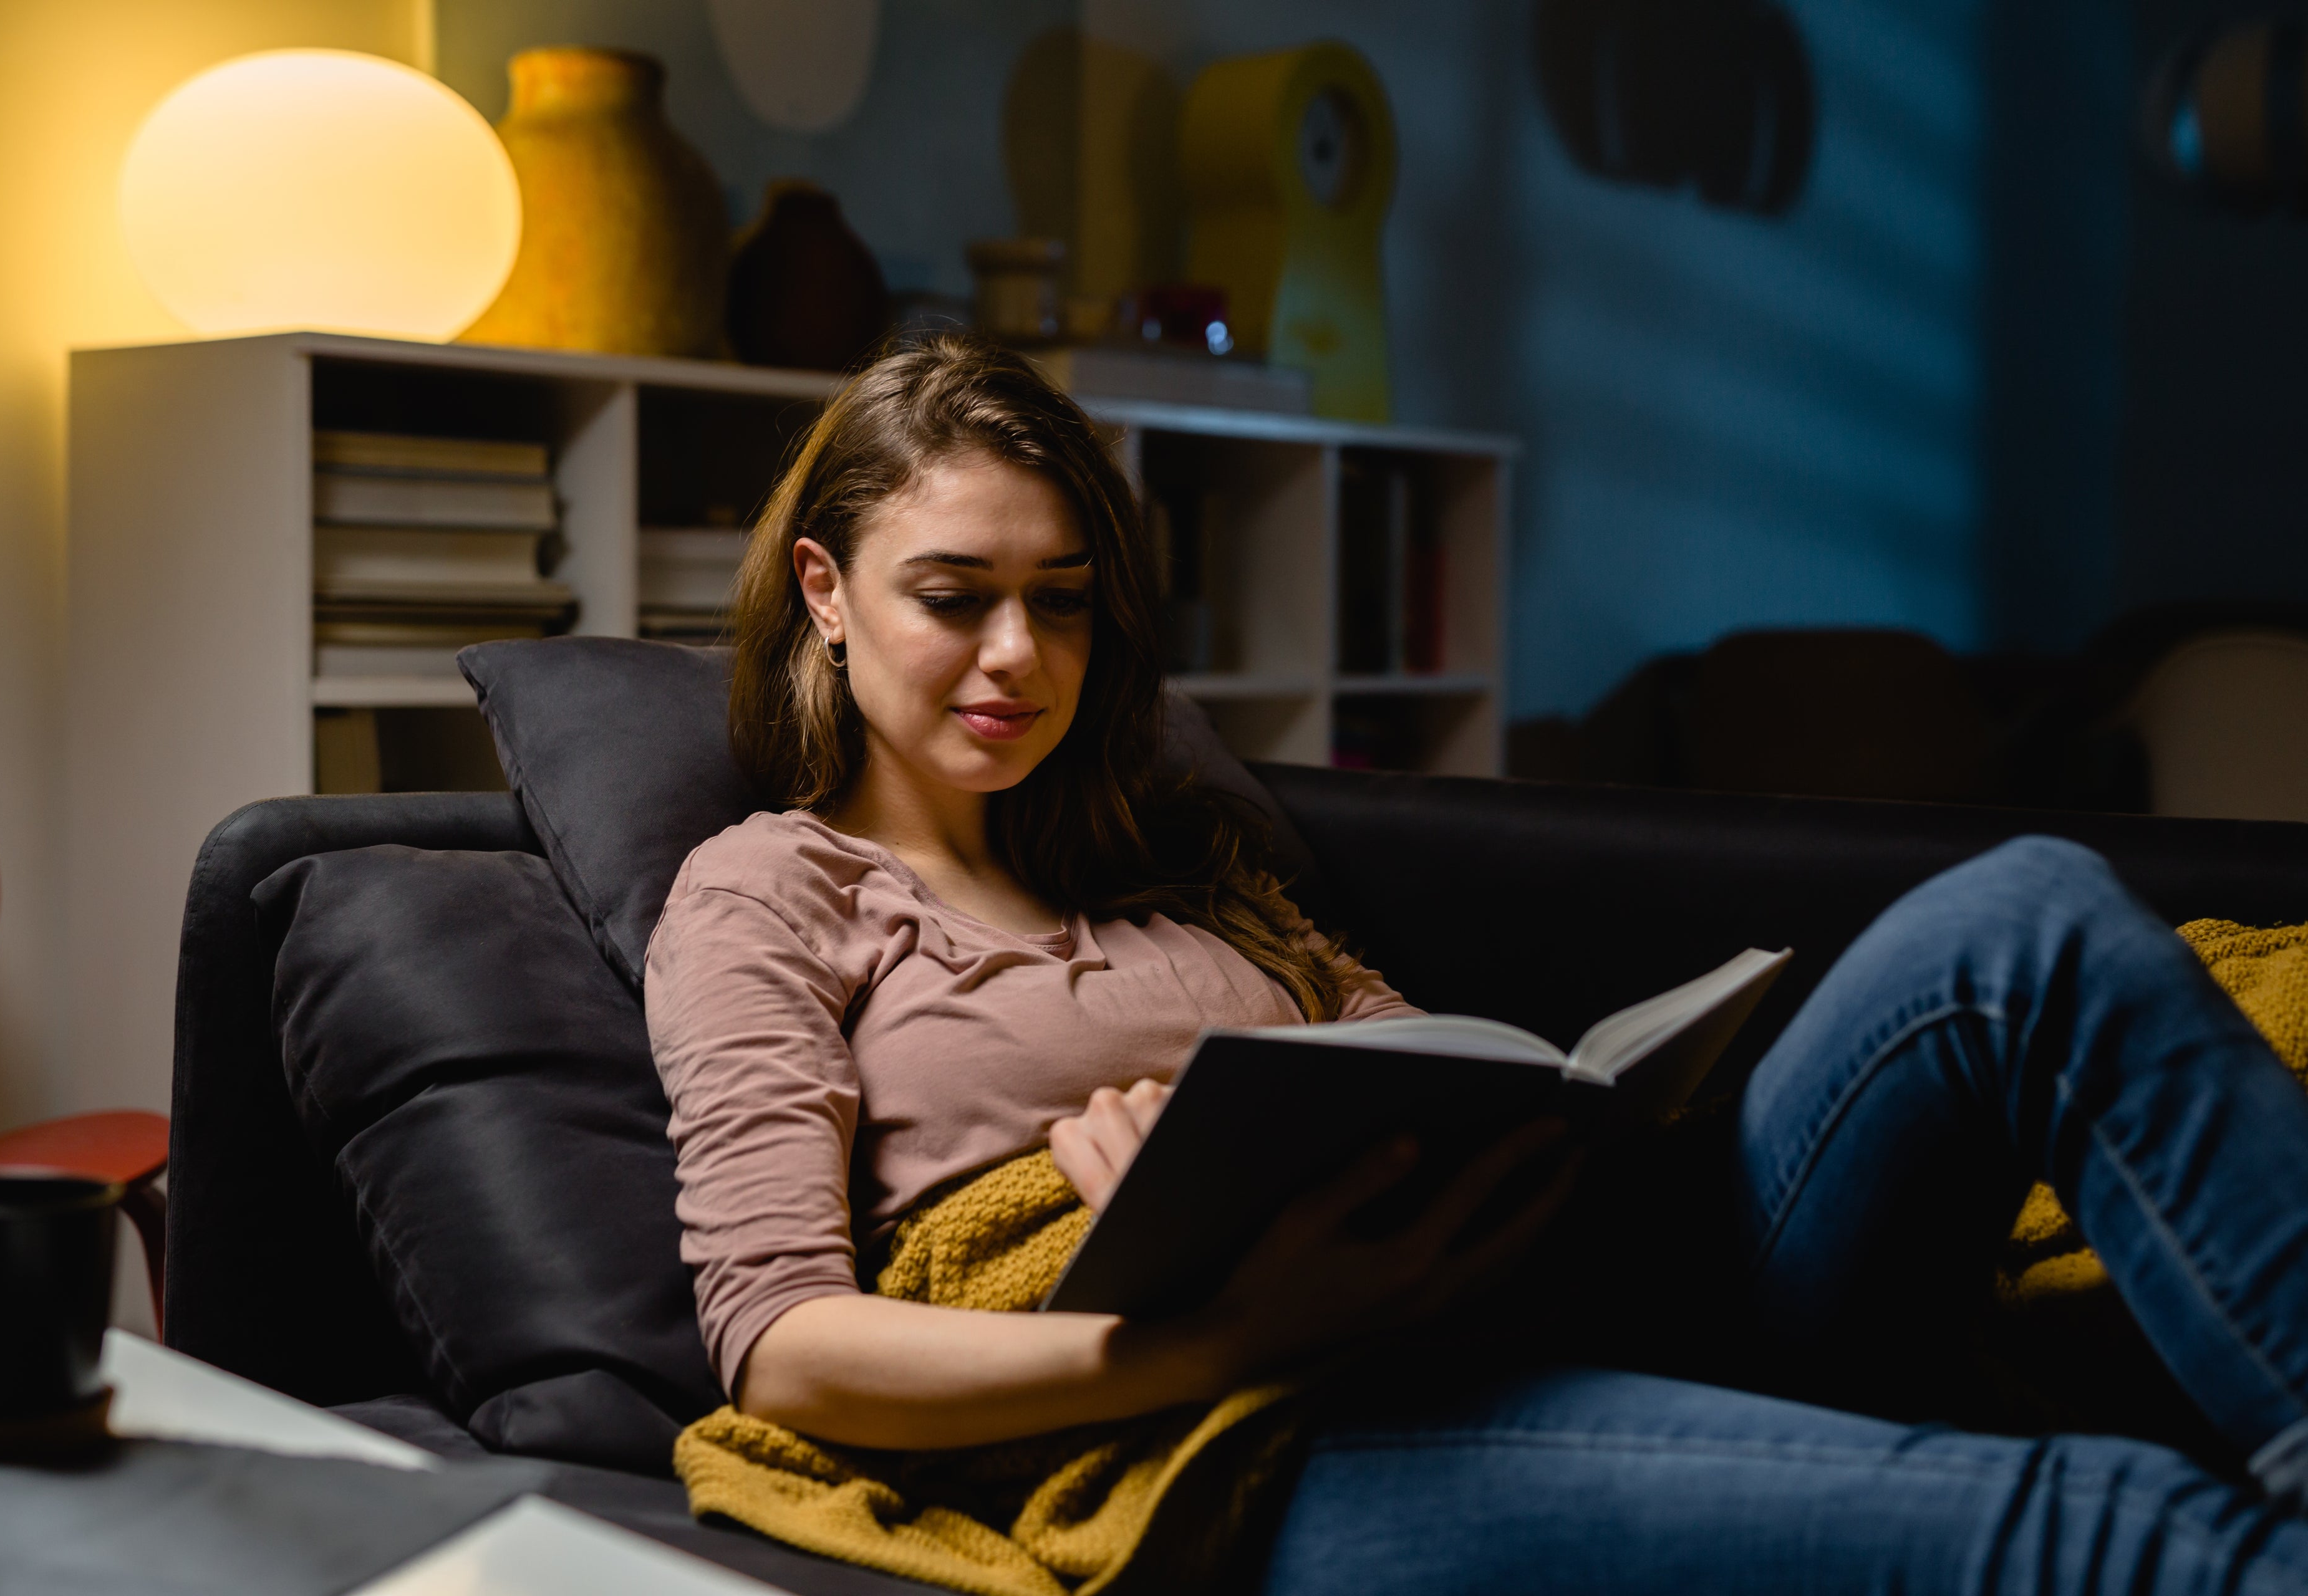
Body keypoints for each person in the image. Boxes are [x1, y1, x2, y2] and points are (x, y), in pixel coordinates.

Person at [645, 335, 2308, 1594]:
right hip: (1253, 1430)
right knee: (2109, 1519)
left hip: (1552, 1284)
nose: (1018, 656)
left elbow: (1424, 1052)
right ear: (827, 593)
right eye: (955, 597)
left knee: (2019, 918)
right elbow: (782, 1345)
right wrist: (1213, 1327)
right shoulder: (770, 896)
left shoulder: (1193, 871)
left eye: (1061, 604)